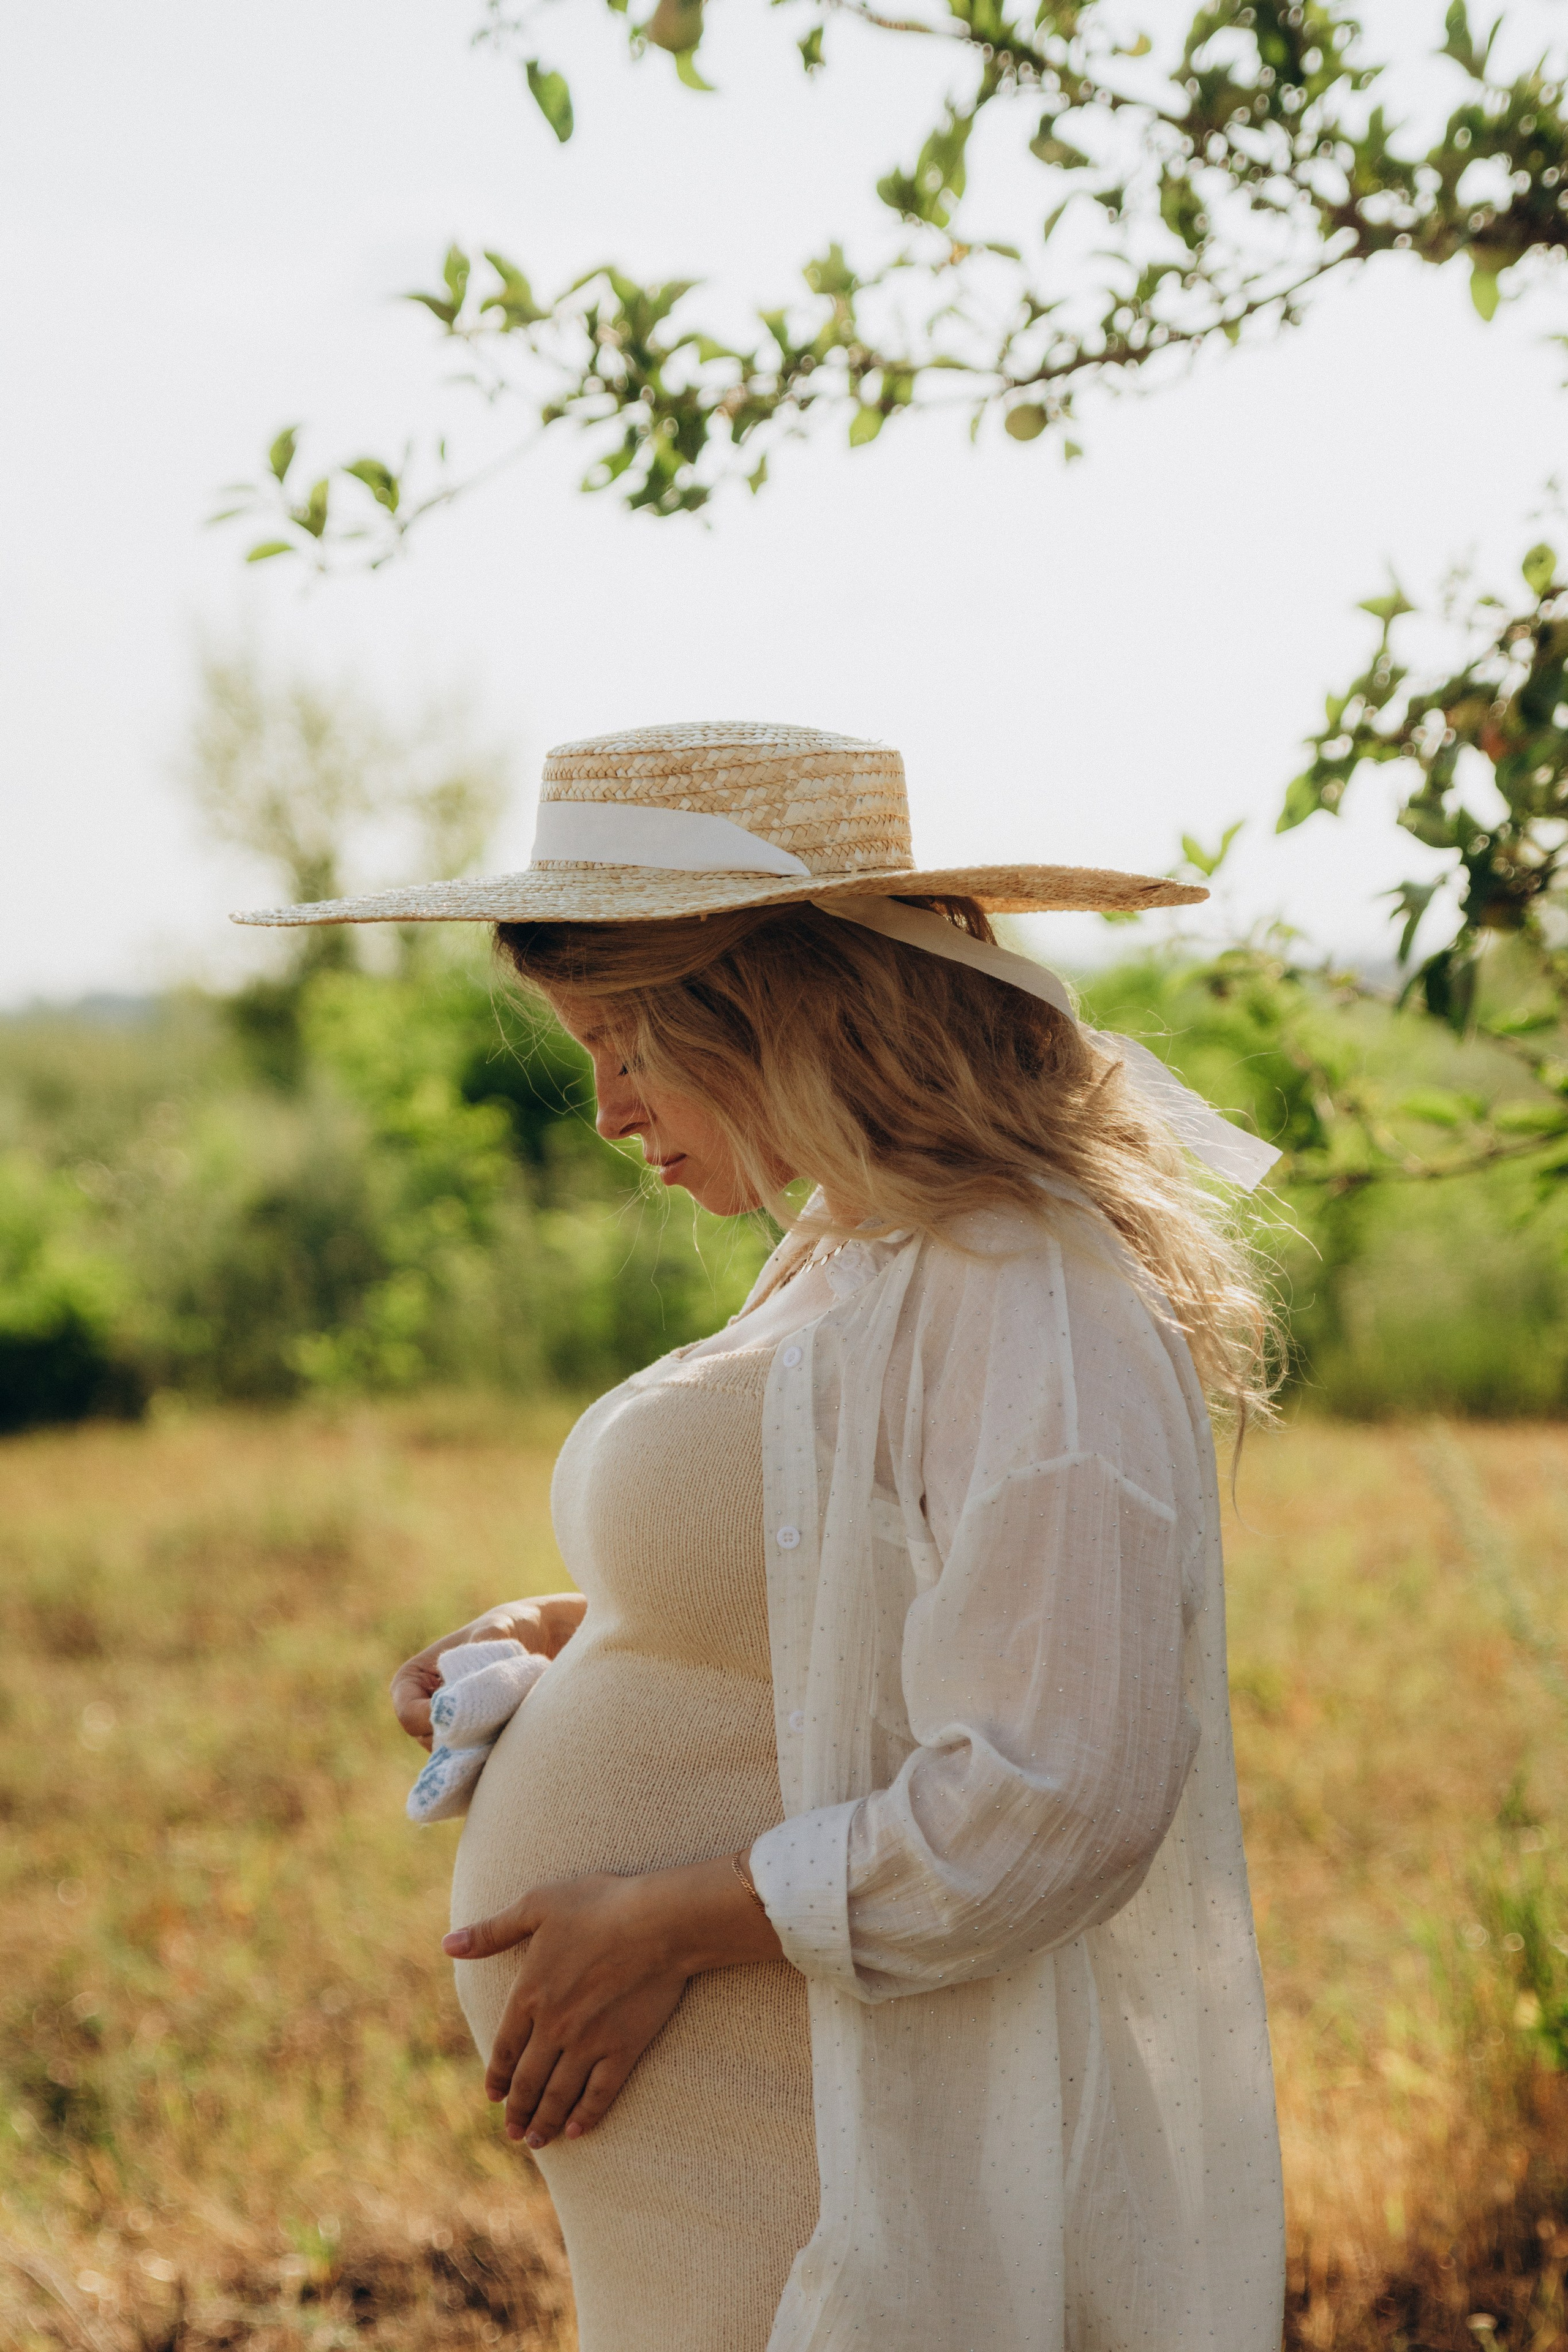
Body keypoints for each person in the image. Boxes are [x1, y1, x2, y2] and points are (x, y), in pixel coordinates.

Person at [236, 721, 1286, 2352]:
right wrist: (580, 1639)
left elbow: (1057, 1789)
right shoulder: (847, 1252)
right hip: (727, 2187)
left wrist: (672, 1922)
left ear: (773, 1009)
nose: (604, 1111)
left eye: (624, 1043)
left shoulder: (1025, 1293)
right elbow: (838, 1602)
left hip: (841, 2180)